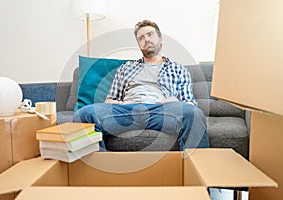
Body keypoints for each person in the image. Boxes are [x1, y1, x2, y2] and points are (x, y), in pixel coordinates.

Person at [73, 20, 209, 151]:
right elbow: (110, 99)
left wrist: (173, 101)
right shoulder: (126, 68)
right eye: (141, 38)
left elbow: (190, 104)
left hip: (161, 110)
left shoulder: (178, 69)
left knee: (194, 114)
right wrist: (114, 103)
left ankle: (196, 170)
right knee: (83, 115)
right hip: (127, 111)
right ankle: (100, 169)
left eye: (150, 35)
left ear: (160, 39)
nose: (146, 40)